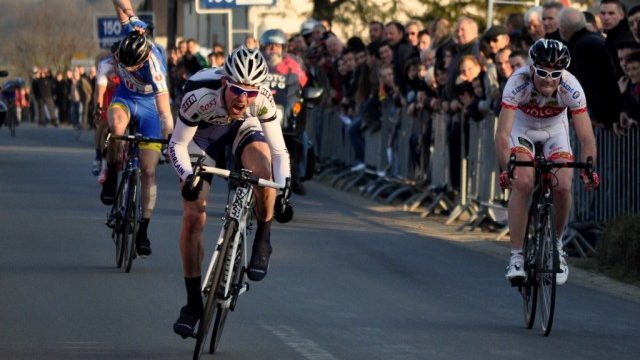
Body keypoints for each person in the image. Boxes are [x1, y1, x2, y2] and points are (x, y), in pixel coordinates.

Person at [168, 46, 291, 338]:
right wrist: (188, 178)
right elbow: (176, 146)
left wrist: (284, 190)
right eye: (237, 90)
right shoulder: (199, 93)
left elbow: (279, 151)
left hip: (241, 130)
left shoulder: (260, 100)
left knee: (264, 171)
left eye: (250, 92)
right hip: (202, 136)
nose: (243, 98)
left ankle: (264, 237)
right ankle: (193, 304)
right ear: (225, 82)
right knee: (193, 216)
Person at [494, 39, 599, 286]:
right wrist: (504, 168)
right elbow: (502, 133)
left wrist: (589, 169)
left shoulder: (572, 88)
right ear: (532, 69)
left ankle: (556, 246)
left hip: (555, 132)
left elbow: (586, 137)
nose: (548, 79)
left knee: (563, 184)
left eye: (555, 73)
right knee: (523, 182)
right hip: (522, 129)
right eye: (542, 72)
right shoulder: (517, 83)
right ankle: (517, 256)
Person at [102, 0, 174, 257]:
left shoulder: (155, 68)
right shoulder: (130, 37)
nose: (129, 69)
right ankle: (111, 175)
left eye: (134, 67)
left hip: (150, 107)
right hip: (125, 98)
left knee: (149, 171)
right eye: (125, 64)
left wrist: (169, 143)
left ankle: (143, 228)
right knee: (116, 127)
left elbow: (165, 113)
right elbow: (118, 4)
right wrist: (131, 14)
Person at [260, 28, 309, 195]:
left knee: (299, 139)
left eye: (277, 46)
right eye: (270, 46)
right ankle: (236, 174)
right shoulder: (257, 64)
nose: (273, 49)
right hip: (260, 111)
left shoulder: (292, 64)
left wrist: (298, 96)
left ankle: (295, 177)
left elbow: (300, 83)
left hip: (283, 113)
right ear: (263, 47)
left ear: (283, 48)